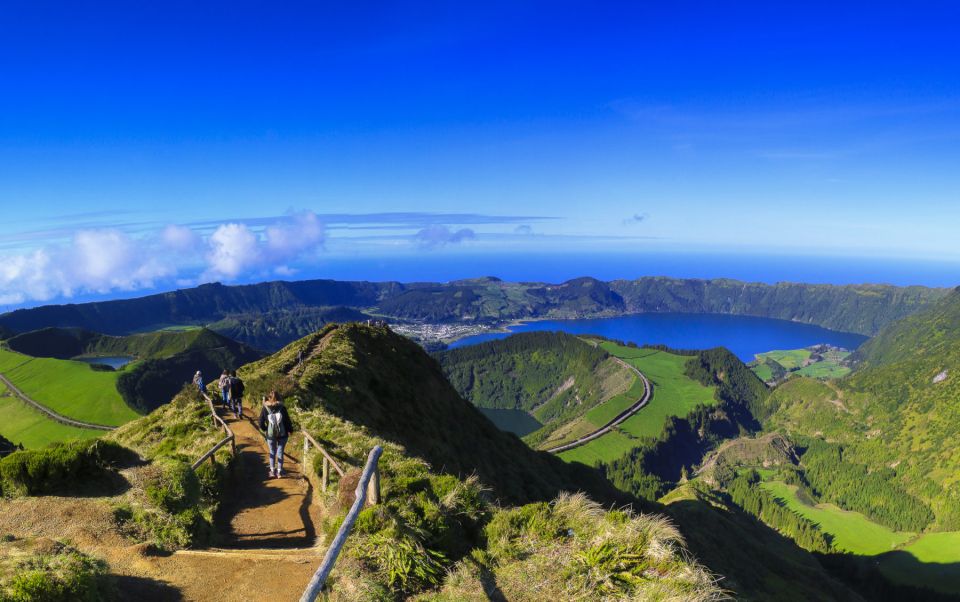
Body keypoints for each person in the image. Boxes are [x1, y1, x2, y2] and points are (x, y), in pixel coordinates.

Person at [259, 390, 293, 478]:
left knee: (272, 452)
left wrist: (266, 429)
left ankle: (272, 471)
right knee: (280, 452)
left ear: (269, 398)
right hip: (283, 434)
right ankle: (279, 472)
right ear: (279, 397)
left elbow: (260, 422)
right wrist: (290, 430)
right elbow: (287, 421)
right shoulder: (282, 408)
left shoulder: (265, 408)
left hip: (270, 434)